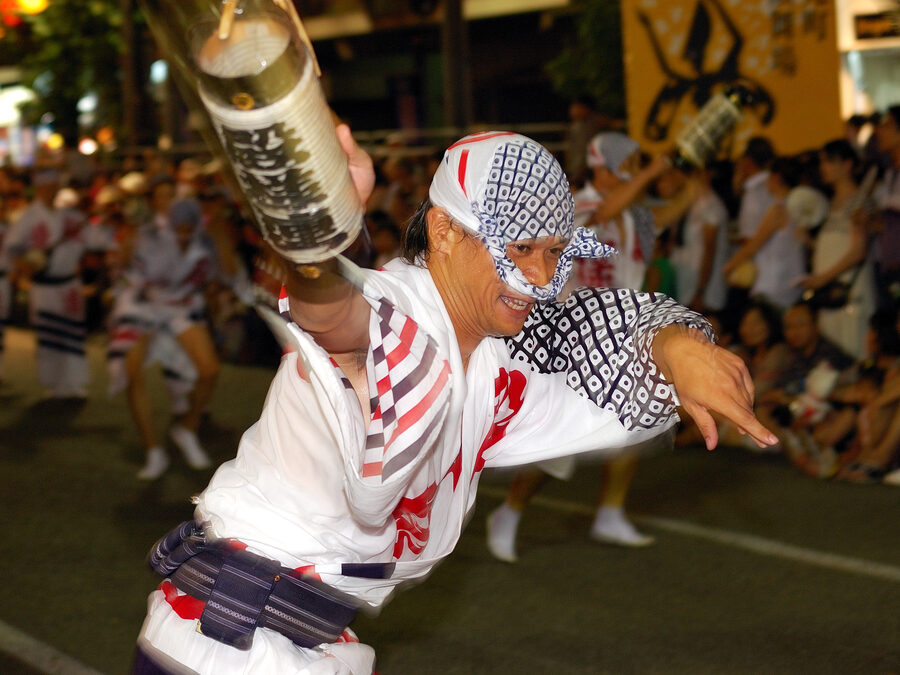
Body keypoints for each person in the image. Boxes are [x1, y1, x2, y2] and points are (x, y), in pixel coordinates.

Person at [134, 128, 775, 674]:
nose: (541, 277)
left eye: (554, 254)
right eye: (519, 250)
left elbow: (596, 340)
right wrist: (313, 230)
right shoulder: (396, 310)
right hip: (233, 643)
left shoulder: (491, 366)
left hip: (281, 640)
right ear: (442, 231)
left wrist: (675, 346)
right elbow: (334, 314)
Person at [486, 132, 693, 558]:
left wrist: (695, 184)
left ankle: (610, 513)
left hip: (624, 334)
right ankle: (509, 511)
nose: (639, 170)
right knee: (556, 448)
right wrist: (655, 172)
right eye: (632, 163)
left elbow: (658, 232)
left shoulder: (636, 216)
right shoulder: (573, 205)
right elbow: (606, 211)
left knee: (635, 425)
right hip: (573, 336)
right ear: (607, 167)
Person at [108, 198, 218, 480]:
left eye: (187, 226)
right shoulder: (149, 240)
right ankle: (153, 450)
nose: (182, 231)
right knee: (133, 374)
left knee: (209, 369)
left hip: (180, 308)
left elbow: (218, 278)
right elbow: (124, 269)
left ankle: (187, 429)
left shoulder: (204, 244)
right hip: (141, 306)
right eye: (177, 225)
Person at [4, 169, 90, 398]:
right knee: (50, 334)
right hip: (44, 285)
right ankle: (54, 383)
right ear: (39, 188)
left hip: (68, 281)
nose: (51, 190)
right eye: (48, 186)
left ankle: (73, 381)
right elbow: (12, 248)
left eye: (54, 186)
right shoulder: (29, 217)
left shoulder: (66, 215)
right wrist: (26, 264)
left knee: (72, 332)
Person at [801, 139, 876, 360]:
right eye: (822, 162)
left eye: (829, 161)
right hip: (829, 292)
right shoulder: (830, 203)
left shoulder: (860, 201)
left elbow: (858, 251)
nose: (823, 168)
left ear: (847, 164)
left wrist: (823, 278)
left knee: (852, 348)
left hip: (848, 291)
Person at [722, 156, 807, 311]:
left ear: (776, 177)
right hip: (791, 281)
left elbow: (754, 245)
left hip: (774, 283)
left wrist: (729, 266)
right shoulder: (798, 207)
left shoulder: (778, 210)